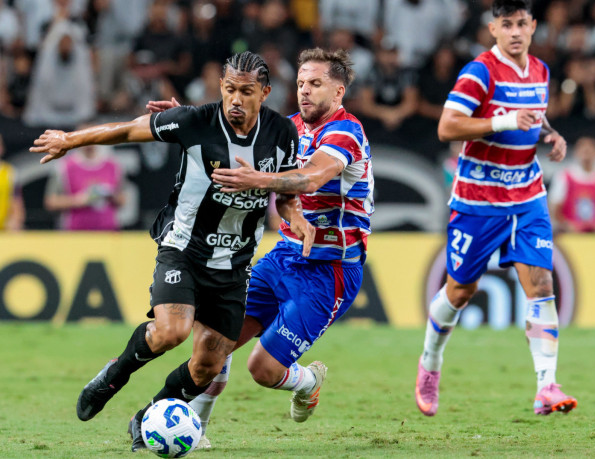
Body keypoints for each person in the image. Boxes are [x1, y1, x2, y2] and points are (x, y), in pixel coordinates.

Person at [29, 51, 313, 452]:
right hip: (183, 248)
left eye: (246, 92)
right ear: (221, 87)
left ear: (264, 93)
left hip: (233, 265)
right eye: (229, 89)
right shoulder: (196, 120)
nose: (235, 99)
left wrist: (294, 215)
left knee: (208, 365)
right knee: (172, 331)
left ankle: (147, 419)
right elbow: (129, 130)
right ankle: (115, 374)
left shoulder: (283, 133)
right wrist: (70, 140)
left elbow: (282, 189)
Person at [148, 48, 372, 449]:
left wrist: (257, 179)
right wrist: (190, 121)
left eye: (315, 84)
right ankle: (195, 432)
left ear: (339, 91)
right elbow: (233, 132)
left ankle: (309, 381)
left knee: (263, 369)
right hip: (282, 258)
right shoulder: (289, 127)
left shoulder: (345, 133)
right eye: (301, 83)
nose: (304, 91)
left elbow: (308, 179)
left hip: (329, 271)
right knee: (216, 342)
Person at [414, 0, 576, 418]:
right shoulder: (479, 72)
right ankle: (430, 361)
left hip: (526, 195)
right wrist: (503, 122)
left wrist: (551, 134)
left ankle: (547, 385)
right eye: (507, 24)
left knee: (540, 285)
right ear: (493, 29)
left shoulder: (540, 71)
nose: (516, 31)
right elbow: (447, 126)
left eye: (523, 23)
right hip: (478, 201)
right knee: (460, 291)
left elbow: (532, 119)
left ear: (534, 25)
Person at [43, 133, 126, 231]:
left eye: (92, 138)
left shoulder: (113, 165)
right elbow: (51, 202)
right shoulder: (64, 166)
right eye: (83, 138)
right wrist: (78, 200)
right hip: (76, 231)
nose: (88, 143)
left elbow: (123, 199)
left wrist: (109, 194)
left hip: (108, 231)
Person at [549, 136, 595, 233]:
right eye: (583, 148)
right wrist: (567, 225)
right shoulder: (563, 177)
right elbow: (554, 209)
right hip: (569, 236)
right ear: (576, 152)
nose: (587, 151)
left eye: (591, 148)